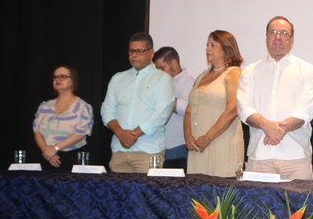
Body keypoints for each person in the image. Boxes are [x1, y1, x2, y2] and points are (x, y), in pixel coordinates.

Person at [237, 16, 313, 179]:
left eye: (284, 33)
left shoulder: (308, 70)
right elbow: (243, 107)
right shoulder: (250, 71)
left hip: (295, 157)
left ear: (292, 39)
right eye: (273, 32)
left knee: (300, 205)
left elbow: (307, 109)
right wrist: (267, 126)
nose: (278, 37)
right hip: (259, 157)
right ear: (266, 37)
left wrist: (278, 130)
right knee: (257, 205)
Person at [101, 32, 174, 173]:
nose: (134, 55)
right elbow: (106, 109)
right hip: (119, 151)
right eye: (131, 51)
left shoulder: (162, 79)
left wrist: (133, 135)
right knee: (117, 195)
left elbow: (161, 114)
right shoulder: (117, 78)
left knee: (146, 195)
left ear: (151, 53)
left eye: (139, 51)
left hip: (148, 151)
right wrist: (120, 133)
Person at [184, 30, 245, 176]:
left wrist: (208, 137)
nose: (207, 49)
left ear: (226, 49)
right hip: (197, 145)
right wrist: (188, 136)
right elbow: (189, 110)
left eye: (212, 45)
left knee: (221, 194)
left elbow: (232, 109)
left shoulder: (233, 73)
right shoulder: (201, 76)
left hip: (222, 144)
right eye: (207, 45)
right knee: (198, 194)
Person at [33, 65, 93, 171]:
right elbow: (36, 131)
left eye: (63, 76)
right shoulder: (44, 106)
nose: (57, 79)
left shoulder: (83, 107)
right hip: (46, 157)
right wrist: (46, 151)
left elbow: (79, 134)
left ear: (73, 81)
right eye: (55, 77)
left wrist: (55, 148)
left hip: (72, 159)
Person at [153, 46, 195, 169]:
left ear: (174, 63)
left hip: (178, 145)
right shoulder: (159, 84)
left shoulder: (190, 83)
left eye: (161, 68)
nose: (159, 73)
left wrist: (165, 100)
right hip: (159, 145)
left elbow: (189, 109)